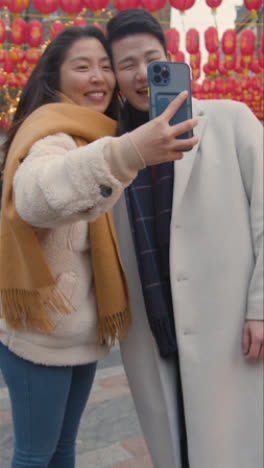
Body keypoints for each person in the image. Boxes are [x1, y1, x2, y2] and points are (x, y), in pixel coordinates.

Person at [0, 25, 198, 468]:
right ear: (54, 78)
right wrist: (127, 153)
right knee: (34, 455)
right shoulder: (50, 132)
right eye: (82, 66)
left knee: (63, 449)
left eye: (105, 67)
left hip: (81, 334)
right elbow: (37, 197)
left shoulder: (95, 132)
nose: (99, 78)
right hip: (40, 337)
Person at [106, 9, 264, 468]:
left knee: (234, 447)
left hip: (229, 323)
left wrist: (261, 306)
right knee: (177, 448)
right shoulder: (115, 151)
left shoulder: (231, 119)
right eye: (126, 64)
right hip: (153, 328)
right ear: (114, 75)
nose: (141, 74)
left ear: (172, 61)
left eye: (151, 60)